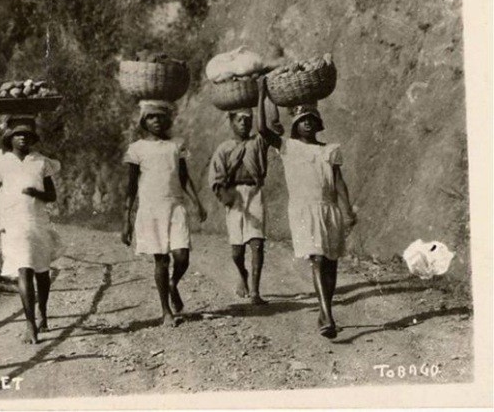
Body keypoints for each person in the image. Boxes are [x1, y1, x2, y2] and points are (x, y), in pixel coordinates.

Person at [256, 78, 356, 338]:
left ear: (318, 123)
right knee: (317, 259)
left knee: (331, 264)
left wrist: (347, 209)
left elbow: (338, 182)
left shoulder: (330, 150)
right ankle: (328, 316)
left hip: (329, 209)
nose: (307, 124)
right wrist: (261, 96)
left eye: (311, 119)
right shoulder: (288, 147)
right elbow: (263, 130)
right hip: (303, 210)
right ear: (295, 126)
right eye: (302, 121)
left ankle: (325, 310)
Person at [0, 118, 62, 344]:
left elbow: (52, 195)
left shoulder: (40, 162)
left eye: (27, 135)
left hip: (38, 222)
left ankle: (42, 310)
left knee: (42, 272)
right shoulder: (1, 164)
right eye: (17, 134)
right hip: (15, 224)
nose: (22, 137)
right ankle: (29, 323)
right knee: (24, 270)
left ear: (32, 139)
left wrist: (36, 193)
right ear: (9, 139)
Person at [121, 100, 207, 327]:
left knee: (182, 255)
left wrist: (197, 202)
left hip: (175, 205)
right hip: (151, 209)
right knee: (161, 259)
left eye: (160, 117)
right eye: (151, 117)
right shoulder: (137, 149)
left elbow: (184, 177)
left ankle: (173, 284)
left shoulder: (176, 145)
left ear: (167, 120)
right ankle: (165, 310)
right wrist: (126, 219)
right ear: (144, 121)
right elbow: (130, 186)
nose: (156, 121)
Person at [208, 107, 282, 305]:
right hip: (234, 197)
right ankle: (243, 274)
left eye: (247, 120)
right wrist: (225, 195)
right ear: (231, 122)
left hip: (255, 193)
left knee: (257, 244)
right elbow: (216, 177)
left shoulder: (257, 142)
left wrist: (264, 97)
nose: (244, 124)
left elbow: (270, 126)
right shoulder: (224, 148)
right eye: (239, 120)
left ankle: (256, 292)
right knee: (237, 252)